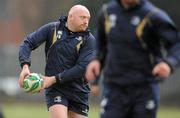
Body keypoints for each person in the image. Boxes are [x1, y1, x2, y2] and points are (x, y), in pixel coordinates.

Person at [86, 0, 180, 118]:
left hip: (144, 88)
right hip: (114, 88)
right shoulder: (107, 12)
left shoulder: (152, 15)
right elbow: (101, 44)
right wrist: (96, 59)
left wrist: (169, 63)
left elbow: (176, 45)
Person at [18, 5, 95, 118]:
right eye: (83, 17)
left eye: (88, 18)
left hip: (78, 90)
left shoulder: (89, 40)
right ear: (71, 16)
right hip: (56, 89)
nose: (86, 22)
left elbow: (81, 68)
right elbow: (27, 43)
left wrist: (53, 79)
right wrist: (25, 66)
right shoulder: (52, 29)